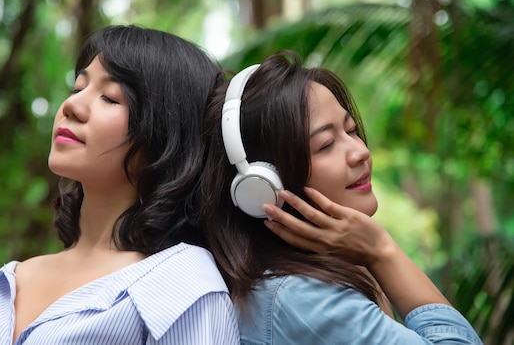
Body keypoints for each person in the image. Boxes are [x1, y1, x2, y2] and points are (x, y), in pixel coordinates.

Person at [0, 25, 240, 344]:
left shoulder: (184, 288)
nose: (72, 107)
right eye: (78, 88)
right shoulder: (13, 280)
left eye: (110, 97)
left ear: (166, 134)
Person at [200, 49, 482, 344]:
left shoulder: (319, 274)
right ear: (261, 185)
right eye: (326, 144)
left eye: (352, 130)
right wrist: (382, 251)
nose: (361, 152)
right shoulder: (303, 300)